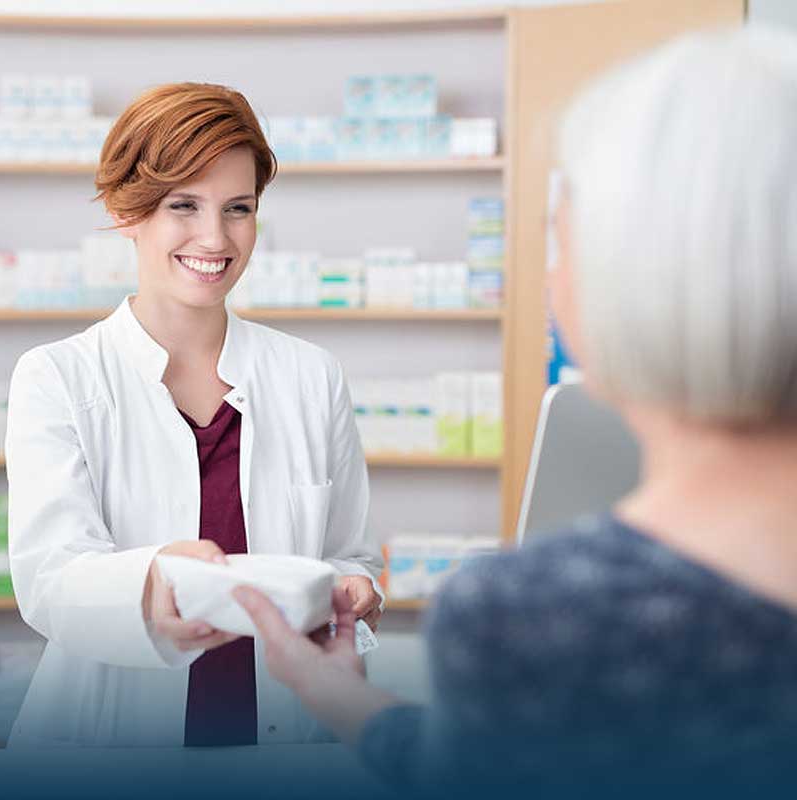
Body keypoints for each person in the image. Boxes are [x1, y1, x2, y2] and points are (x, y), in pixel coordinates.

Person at [236, 26, 797, 793]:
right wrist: (334, 694)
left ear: (639, 281)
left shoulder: (549, 616)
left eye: (562, 242)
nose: (553, 277)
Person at [4, 82, 384, 748]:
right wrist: (154, 583)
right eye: (184, 205)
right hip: (108, 741)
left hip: (280, 732)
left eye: (238, 208)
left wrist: (353, 588)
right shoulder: (58, 376)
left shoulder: (311, 376)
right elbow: (48, 581)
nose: (216, 237)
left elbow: (344, 553)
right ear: (128, 211)